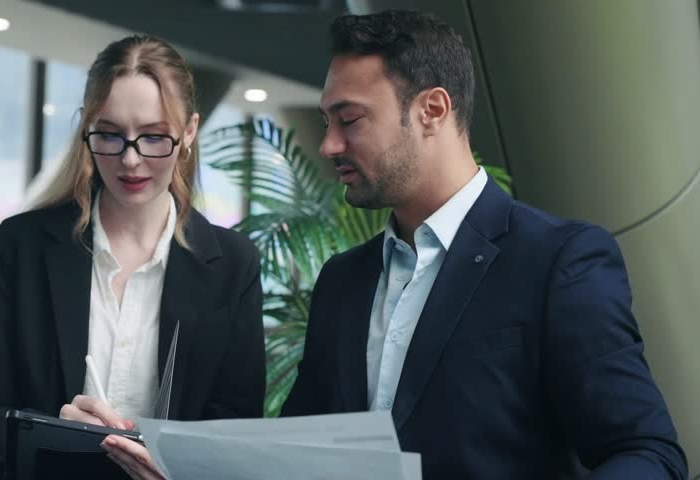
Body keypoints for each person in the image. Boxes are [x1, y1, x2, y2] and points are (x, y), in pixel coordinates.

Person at [280, 9, 688, 479]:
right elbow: (296, 450)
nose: (329, 145)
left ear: (431, 110)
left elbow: (647, 453)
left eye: (348, 119)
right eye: (326, 122)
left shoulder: (557, 261)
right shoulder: (341, 281)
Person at [0, 35, 265, 480]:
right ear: (86, 126)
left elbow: (237, 443)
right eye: (109, 134)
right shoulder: (21, 247)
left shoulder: (233, 265)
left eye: (154, 137)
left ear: (190, 132)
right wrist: (55, 434)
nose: (130, 160)